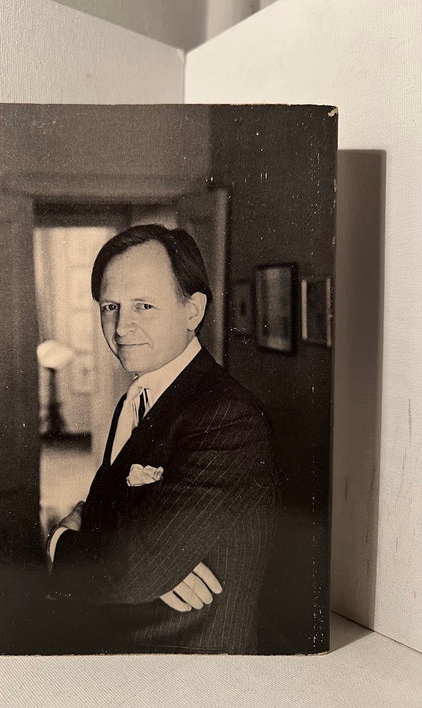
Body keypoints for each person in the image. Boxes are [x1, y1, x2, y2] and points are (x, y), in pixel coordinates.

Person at [48, 224, 278, 654]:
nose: (121, 327)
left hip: (190, 667)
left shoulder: (227, 417)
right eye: (111, 306)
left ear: (192, 312)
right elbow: (123, 544)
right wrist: (141, 558)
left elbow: (130, 569)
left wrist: (61, 542)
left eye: (144, 305)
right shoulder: (137, 396)